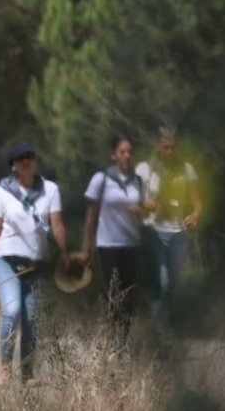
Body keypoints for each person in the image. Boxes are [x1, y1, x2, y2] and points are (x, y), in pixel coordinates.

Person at [0, 141, 75, 381]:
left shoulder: (50, 190)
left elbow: (57, 223)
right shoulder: (2, 191)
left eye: (29, 156)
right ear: (14, 165)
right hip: (6, 259)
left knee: (31, 318)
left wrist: (65, 252)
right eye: (20, 158)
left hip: (36, 263)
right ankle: (5, 365)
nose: (26, 161)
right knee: (12, 310)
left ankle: (27, 373)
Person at [83, 133, 153, 350]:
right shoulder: (101, 179)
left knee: (129, 296)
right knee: (113, 293)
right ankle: (109, 341)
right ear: (113, 154)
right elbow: (91, 215)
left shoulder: (138, 182)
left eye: (130, 152)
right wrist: (86, 249)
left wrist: (141, 210)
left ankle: (122, 343)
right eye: (122, 151)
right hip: (107, 244)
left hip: (131, 245)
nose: (127, 156)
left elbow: (142, 216)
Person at [137, 124, 203, 333]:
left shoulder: (186, 169)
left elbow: (196, 201)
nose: (170, 151)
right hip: (154, 231)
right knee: (162, 281)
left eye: (173, 147)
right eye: (165, 147)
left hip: (178, 233)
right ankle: (159, 331)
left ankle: (162, 323)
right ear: (158, 146)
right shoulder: (144, 170)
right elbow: (132, 197)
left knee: (171, 283)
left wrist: (195, 214)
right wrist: (144, 204)